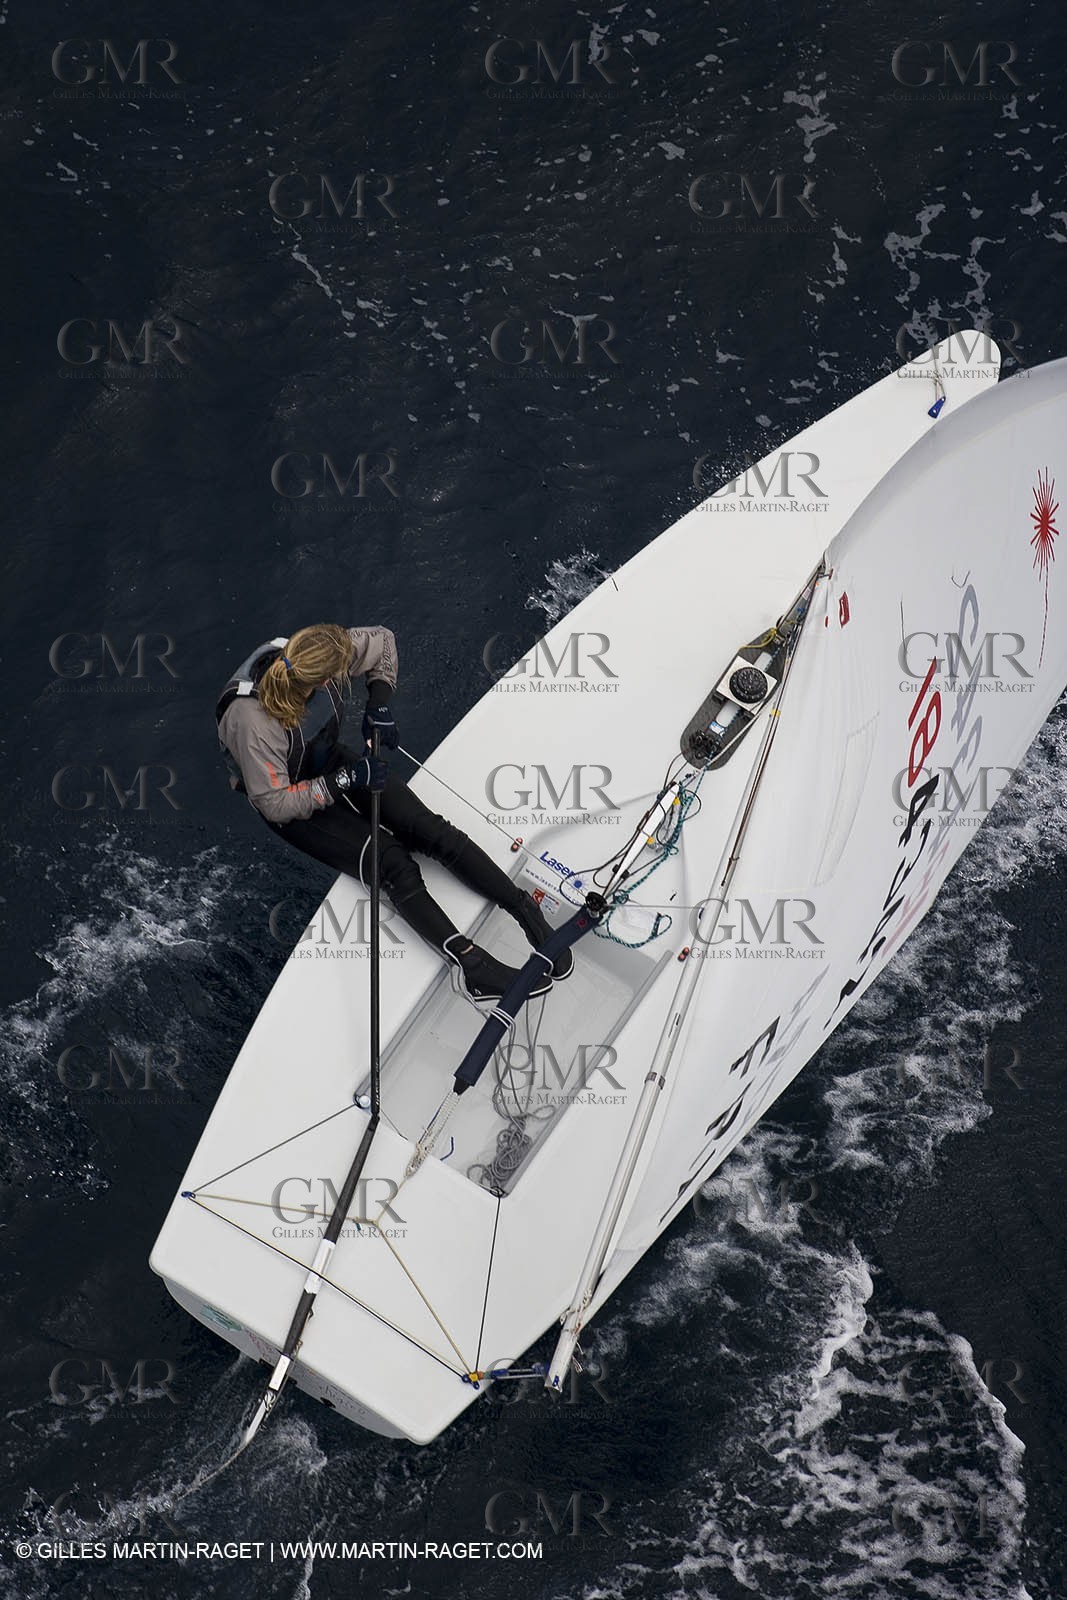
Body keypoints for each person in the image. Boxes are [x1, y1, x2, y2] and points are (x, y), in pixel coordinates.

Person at [216, 622, 573, 1002]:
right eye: (340, 674)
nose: (347, 671)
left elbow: (382, 640)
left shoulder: (320, 651)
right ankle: (473, 968)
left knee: (432, 831)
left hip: (329, 760)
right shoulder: (251, 722)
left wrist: (379, 702)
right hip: (293, 798)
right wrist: (343, 781)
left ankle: (525, 911)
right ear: (318, 683)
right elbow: (275, 804)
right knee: (393, 863)